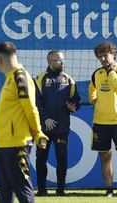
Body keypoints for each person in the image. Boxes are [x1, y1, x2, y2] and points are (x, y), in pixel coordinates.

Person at [0, 41, 48, 203]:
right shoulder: (10, 78)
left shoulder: (19, 77)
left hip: (17, 144)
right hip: (3, 144)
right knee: (5, 191)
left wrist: (38, 134)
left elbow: (31, 108)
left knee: (22, 188)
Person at [88, 41, 117, 197]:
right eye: (100, 57)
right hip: (100, 122)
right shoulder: (97, 74)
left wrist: (113, 72)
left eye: (105, 55)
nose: (103, 59)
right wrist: (93, 99)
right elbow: (92, 88)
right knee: (105, 156)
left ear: (113, 54)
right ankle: (109, 190)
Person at [35, 50, 81, 196]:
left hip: (62, 127)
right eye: (59, 60)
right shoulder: (40, 79)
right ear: (50, 62)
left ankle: (60, 190)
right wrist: (46, 119)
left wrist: (73, 106)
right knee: (41, 158)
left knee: (62, 157)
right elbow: (36, 102)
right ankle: (42, 190)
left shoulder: (69, 79)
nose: (62, 63)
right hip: (43, 128)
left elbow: (76, 99)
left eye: (63, 60)